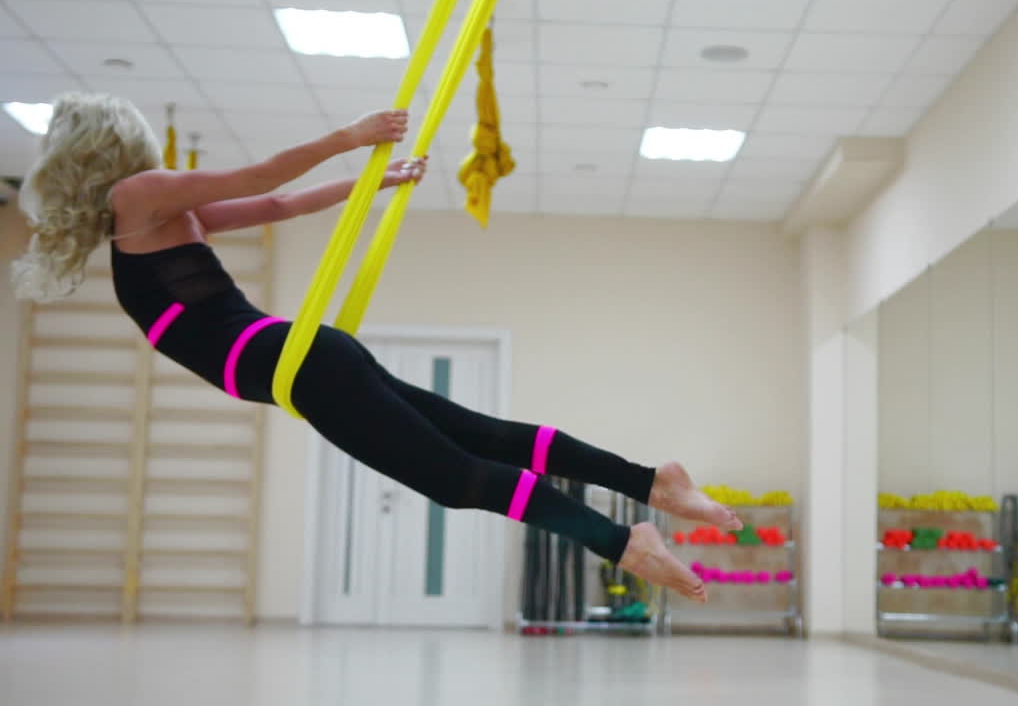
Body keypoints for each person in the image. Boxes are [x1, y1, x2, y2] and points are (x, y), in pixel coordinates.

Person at [9, 93, 741, 602]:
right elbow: (277, 205)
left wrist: (352, 143)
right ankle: (652, 480)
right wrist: (364, 178)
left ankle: (623, 540)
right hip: (302, 359)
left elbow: (264, 181)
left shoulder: (141, 196)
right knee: (479, 438)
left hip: (292, 365)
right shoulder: (144, 213)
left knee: (459, 477)